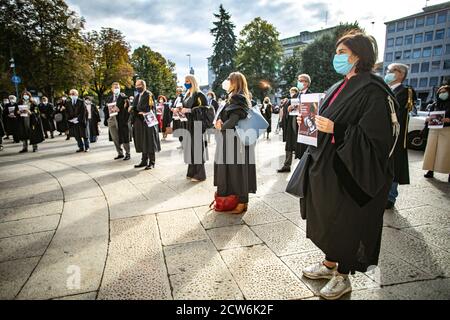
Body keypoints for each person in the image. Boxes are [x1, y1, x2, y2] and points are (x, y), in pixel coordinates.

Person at [291, 31, 399, 300]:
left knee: (347, 220)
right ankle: (329, 264)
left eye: (342, 53)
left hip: (350, 169)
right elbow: (323, 117)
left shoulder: (373, 89)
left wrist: (337, 128)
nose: (336, 57)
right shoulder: (338, 85)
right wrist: (307, 123)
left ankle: (344, 275)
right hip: (327, 165)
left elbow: (377, 136)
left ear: (358, 56)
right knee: (328, 217)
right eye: (337, 52)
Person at [214, 72, 257, 214]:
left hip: (235, 139)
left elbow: (234, 119)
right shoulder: (236, 96)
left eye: (228, 79)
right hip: (233, 139)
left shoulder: (237, 97)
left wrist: (221, 125)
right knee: (237, 169)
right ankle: (240, 200)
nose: (226, 81)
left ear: (235, 82)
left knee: (238, 170)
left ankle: (242, 202)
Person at [384, 63, 417, 209]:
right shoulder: (385, 89)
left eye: (391, 71)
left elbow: (397, 114)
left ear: (401, 74)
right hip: (384, 134)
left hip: (395, 134)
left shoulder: (405, 91)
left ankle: (391, 196)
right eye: (388, 71)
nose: (388, 73)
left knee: (395, 163)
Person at [278, 74, 312, 173]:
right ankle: (286, 165)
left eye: (302, 81)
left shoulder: (310, 95)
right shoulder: (295, 96)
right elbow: (289, 108)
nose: (299, 82)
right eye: (299, 80)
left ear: (307, 83)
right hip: (292, 124)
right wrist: (288, 109)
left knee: (303, 147)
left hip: (303, 125)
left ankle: (304, 168)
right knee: (289, 145)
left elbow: (313, 110)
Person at [180, 75, 209, 182]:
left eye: (188, 81)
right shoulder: (187, 94)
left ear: (193, 82)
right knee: (190, 149)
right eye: (185, 81)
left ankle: (200, 174)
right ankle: (191, 171)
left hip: (197, 125)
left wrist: (189, 111)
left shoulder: (199, 95)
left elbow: (205, 109)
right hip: (188, 124)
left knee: (197, 149)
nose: (186, 83)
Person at [423, 85, 450, 183]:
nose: (442, 94)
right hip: (434, 130)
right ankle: (430, 170)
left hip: (447, 130)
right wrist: (427, 119)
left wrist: (448, 120)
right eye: (440, 92)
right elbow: (429, 116)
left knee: (446, 152)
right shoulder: (434, 104)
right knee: (432, 151)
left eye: (445, 92)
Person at [131, 79, 161, 170]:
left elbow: (149, 107)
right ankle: (144, 161)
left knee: (149, 141)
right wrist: (133, 109)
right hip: (139, 122)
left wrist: (138, 109)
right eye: (136, 86)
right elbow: (135, 107)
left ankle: (152, 162)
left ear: (143, 85)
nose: (137, 87)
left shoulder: (148, 94)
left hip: (148, 122)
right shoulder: (137, 96)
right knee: (142, 141)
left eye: (138, 85)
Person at [104, 83, 131, 160]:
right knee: (115, 137)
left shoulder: (124, 97)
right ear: (112, 89)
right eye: (115, 87)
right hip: (112, 119)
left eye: (118, 87)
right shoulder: (109, 98)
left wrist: (121, 110)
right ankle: (120, 153)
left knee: (124, 136)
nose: (116, 89)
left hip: (121, 120)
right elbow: (106, 109)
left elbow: (128, 108)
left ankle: (128, 153)